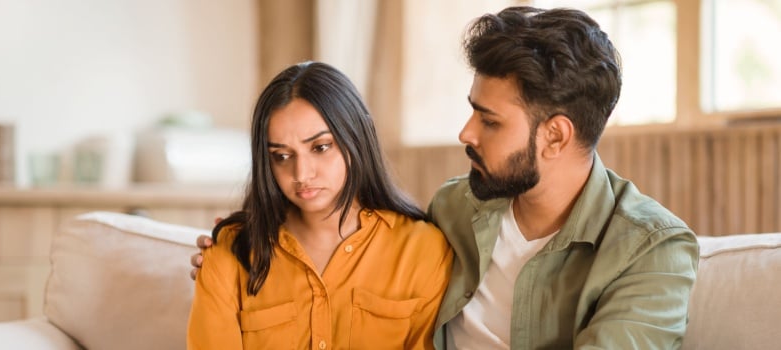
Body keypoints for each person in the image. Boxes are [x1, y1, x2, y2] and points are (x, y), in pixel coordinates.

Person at [192, 6, 699, 349]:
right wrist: (238, 247)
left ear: (556, 136)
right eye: (472, 111)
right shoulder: (453, 210)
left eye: (491, 121)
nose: (465, 132)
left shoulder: (652, 250)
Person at [186, 61, 453, 349]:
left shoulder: (423, 251)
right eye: (282, 156)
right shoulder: (230, 251)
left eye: (320, 147)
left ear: (356, 138)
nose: (301, 175)